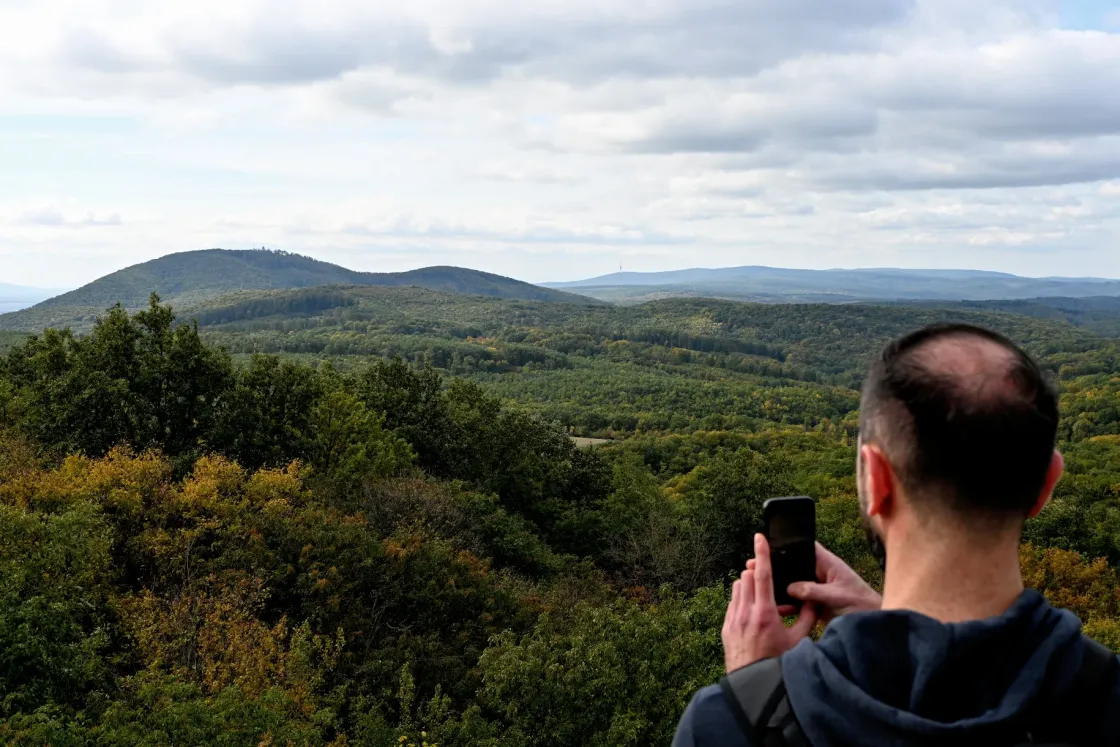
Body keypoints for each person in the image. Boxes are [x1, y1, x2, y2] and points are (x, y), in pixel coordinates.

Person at [673, 323, 1120, 746]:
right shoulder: (1105, 693)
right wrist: (883, 620)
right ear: (1047, 483)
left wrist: (756, 698)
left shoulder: (727, 722)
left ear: (876, 480)